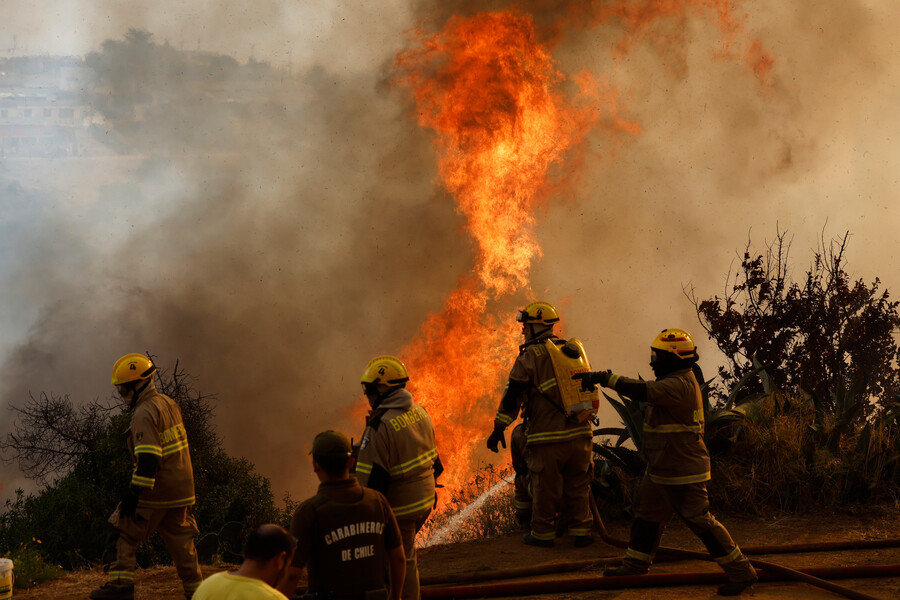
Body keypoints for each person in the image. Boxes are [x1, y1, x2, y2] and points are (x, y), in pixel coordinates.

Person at [574, 328, 758, 596]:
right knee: (646, 514)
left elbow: (642, 390)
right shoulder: (678, 379)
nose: (652, 361)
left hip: (682, 471)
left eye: (657, 356)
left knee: (700, 521)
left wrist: (604, 377)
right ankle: (636, 564)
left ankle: (743, 573)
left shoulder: (677, 385)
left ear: (672, 359)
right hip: (662, 469)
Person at [90, 354, 203, 600]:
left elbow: (149, 460)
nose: (121, 393)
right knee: (182, 543)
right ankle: (198, 593)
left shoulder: (143, 413)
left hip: (158, 489)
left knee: (121, 529)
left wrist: (133, 494)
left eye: (123, 387)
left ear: (137, 384)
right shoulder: (168, 403)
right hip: (183, 489)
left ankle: (120, 588)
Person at [486, 301, 594, 548]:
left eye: (526, 326)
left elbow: (512, 396)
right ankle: (581, 532)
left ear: (536, 327)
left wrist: (498, 428)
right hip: (580, 435)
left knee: (546, 487)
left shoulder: (529, 358)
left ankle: (543, 533)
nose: (523, 331)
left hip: (548, 438)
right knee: (578, 485)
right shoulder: (572, 350)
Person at [354, 356, 442, 600]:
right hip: (424, 501)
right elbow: (437, 463)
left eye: (370, 390)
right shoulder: (420, 412)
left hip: (401, 509)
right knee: (405, 555)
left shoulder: (380, 425)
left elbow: (373, 484)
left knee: (397, 562)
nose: (367, 395)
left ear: (383, 389)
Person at [280, 430, 406, 600]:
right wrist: (396, 597)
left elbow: (293, 574)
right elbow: (398, 558)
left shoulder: (309, 512)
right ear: (351, 462)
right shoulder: (377, 501)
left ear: (315, 465)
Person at [193, 524, 294, 600]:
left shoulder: (207, 585)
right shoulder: (274, 598)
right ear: (280, 559)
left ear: (246, 554)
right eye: (288, 565)